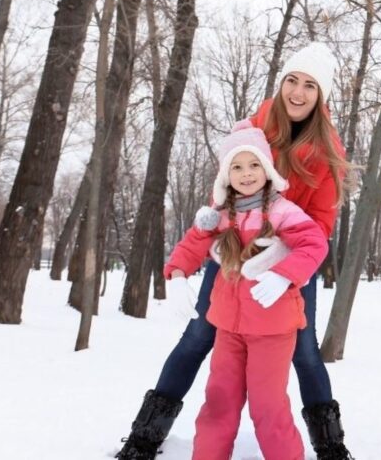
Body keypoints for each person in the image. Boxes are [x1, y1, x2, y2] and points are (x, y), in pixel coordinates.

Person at [117, 42, 355, 460]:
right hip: (231, 258)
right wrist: (182, 263)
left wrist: (280, 255)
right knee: (197, 335)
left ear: (322, 96)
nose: (297, 93)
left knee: (304, 349)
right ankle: (144, 437)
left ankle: (331, 446)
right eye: (291, 81)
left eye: (310, 86)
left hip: (292, 260)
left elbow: (321, 225)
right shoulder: (252, 128)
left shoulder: (327, 150)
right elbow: (224, 192)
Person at [165, 120, 327, 459]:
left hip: (273, 329)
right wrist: (178, 274)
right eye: (237, 166)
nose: (247, 173)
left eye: (254, 164)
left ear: (267, 169)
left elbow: (314, 244)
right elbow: (192, 244)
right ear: (226, 175)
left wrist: (285, 274)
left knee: (268, 408)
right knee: (219, 402)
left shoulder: (284, 211)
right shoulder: (219, 215)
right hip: (228, 329)